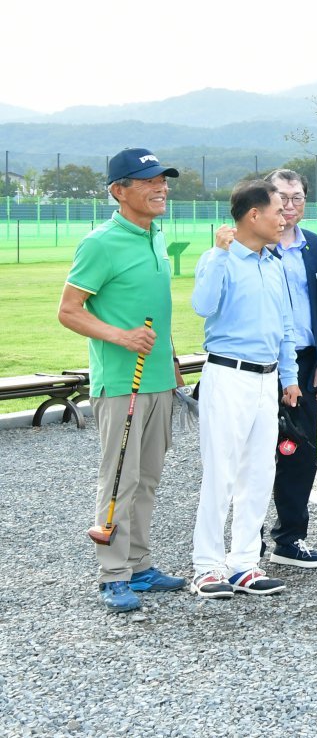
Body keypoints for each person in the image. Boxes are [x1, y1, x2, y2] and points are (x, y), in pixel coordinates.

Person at [58, 148, 189, 613]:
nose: (161, 188)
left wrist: (170, 360)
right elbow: (68, 310)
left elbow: (153, 313)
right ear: (119, 190)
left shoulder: (154, 236)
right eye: (149, 180)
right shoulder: (100, 243)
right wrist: (121, 337)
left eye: (163, 180)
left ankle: (138, 565)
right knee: (119, 479)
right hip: (120, 383)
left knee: (148, 478)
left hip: (157, 380)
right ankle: (112, 574)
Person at [188, 180, 300, 600]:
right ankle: (207, 566)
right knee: (221, 471)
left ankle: (243, 564)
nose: (285, 217)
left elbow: (285, 326)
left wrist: (289, 378)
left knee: (258, 472)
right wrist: (219, 254)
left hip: (267, 378)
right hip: (227, 375)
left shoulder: (275, 262)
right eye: (277, 211)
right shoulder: (218, 258)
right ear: (254, 215)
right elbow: (203, 306)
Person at [262, 168, 317, 569]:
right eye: (282, 197)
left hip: (308, 361)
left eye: (297, 198)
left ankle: (291, 538)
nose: (290, 206)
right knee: (257, 451)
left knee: (300, 452)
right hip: (263, 362)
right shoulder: (256, 243)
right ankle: (247, 541)